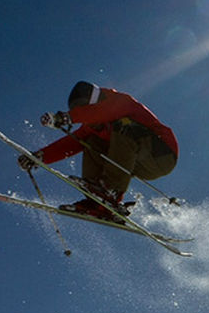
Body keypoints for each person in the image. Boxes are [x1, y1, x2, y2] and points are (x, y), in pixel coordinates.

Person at [18, 81, 178, 220]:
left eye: (87, 114)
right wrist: (39, 157)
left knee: (123, 124)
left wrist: (66, 117)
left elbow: (104, 112)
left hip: (162, 153)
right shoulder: (92, 125)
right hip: (139, 164)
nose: (90, 123)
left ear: (93, 104)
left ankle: (111, 190)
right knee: (89, 140)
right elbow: (69, 143)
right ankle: (98, 201)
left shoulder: (119, 102)